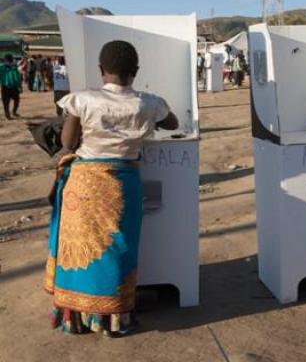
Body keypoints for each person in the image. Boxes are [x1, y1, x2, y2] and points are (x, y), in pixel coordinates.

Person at [45, 40, 179, 336]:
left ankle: (76, 318)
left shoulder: (82, 99)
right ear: (136, 71)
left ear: (101, 69)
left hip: (84, 183)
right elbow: (173, 122)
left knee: (78, 251)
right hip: (123, 183)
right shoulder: (149, 102)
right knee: (118, 249)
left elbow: (67, 144)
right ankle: (114, 321)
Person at [0, 54, 22, 120]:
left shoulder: (14, 67)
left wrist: (19, 86)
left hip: (12, 87)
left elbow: (18, 77)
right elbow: (18, 77)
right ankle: (8, 114)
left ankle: (13, 112)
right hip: (6, 86)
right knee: (6, 102)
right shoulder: (2, 67)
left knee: (16, 100)